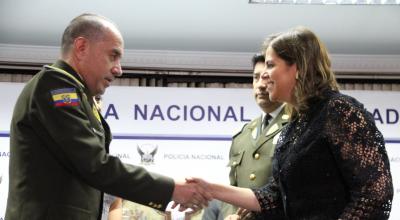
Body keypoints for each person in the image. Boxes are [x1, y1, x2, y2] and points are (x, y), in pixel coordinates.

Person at [5, 13, 210, 220]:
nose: (118, 69)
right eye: (113, 56)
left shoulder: (79, 94)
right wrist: (172, 189)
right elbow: (95, 164)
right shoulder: (55, 85)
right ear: (81, 47)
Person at [191, 26, 394, 220]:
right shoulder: (293, 128)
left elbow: (375, 193)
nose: (263, 75)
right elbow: (275, 198)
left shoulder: (339, 111)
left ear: (296, 68)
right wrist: (210, 189)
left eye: (270, 65)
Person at [201, 54, 288, 220]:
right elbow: (232, 190)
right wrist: (230, 216)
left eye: (267, 77)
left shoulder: (297, 125)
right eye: (256, 77)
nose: (261, 85)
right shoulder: (242, 136)